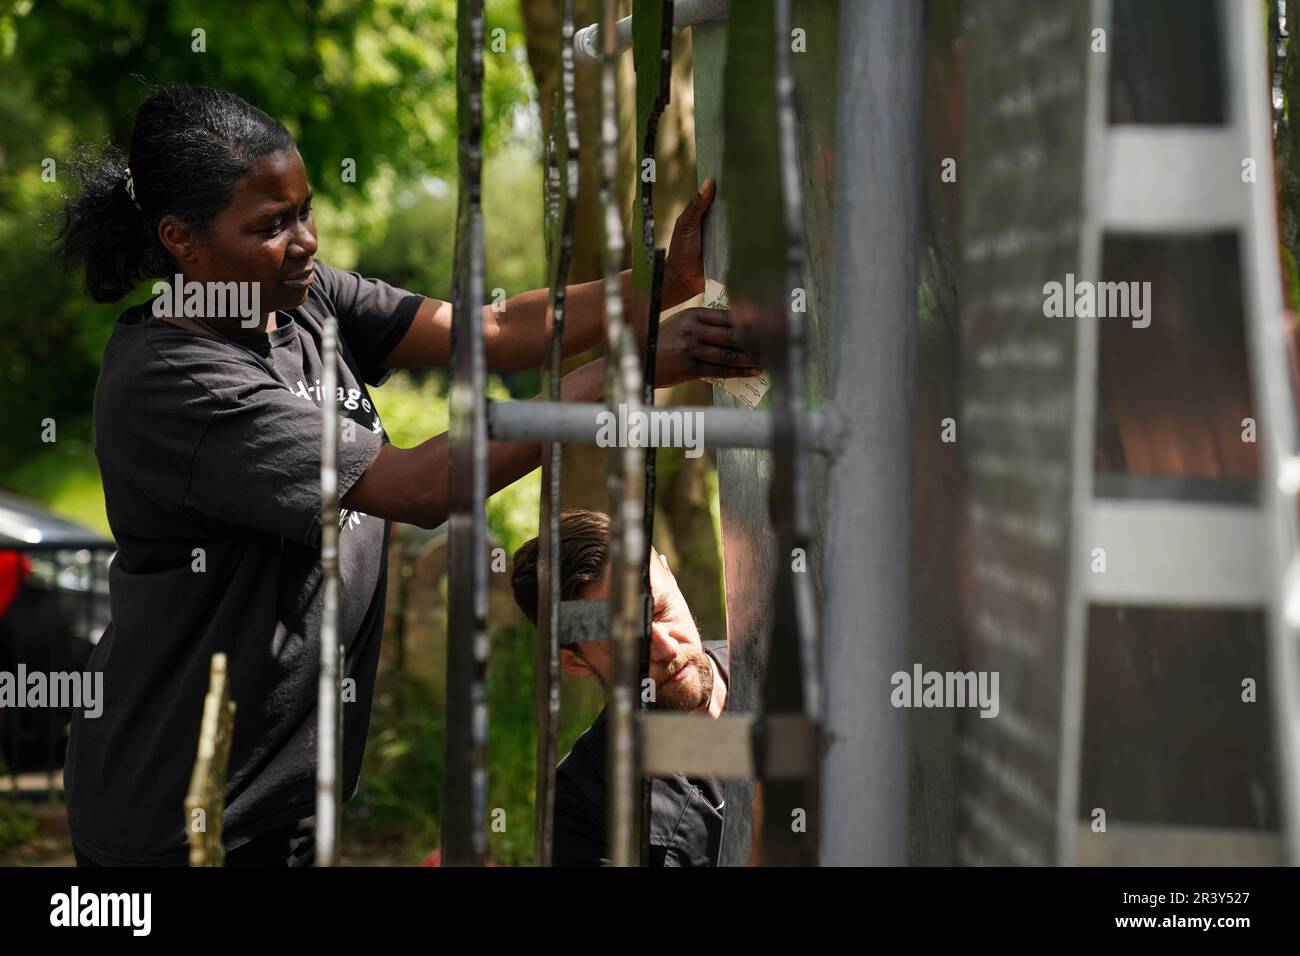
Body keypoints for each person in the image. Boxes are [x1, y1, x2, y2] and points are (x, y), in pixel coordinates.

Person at [55, 84, 760, 867]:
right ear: (180, 239)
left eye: (303, 211)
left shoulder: (300, 300)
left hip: (281, 795)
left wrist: (664, 284)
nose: (305, 241)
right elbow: (421, 486)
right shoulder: (173, 381)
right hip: (176, 808)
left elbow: (492, 330)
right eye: (270, 226)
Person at [511, 509, 729, 866]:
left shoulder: (785, 667)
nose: (667, 647)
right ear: (575, 662)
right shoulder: (586, 812)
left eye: (660, 610)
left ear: (669, 574)